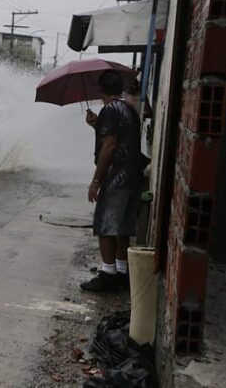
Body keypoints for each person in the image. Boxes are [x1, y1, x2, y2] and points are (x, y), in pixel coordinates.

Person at [81, 71, 145, 292]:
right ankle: (122, 271)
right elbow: (120, 135)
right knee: (122, 227)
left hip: (116, 177)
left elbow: (109, 146)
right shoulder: (128, 108)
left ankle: (108, 273)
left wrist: (96, 181)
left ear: (101, 91)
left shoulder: (109, 110)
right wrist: (96, 125)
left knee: (105, 225)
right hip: (133, 175)